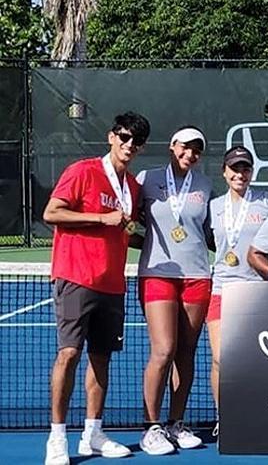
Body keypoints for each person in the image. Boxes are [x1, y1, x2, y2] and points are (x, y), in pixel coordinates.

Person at [43, 112, 150, 465]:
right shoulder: (82, 171)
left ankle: (93, 434)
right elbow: (52, 213)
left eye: (136, 141)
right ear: (111, 137)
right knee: (69, 354)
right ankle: (57, 438)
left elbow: (127, 233)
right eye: (123, 137)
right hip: (76, 277)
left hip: (112, 284)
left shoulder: (132, 187)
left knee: (101, 359)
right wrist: (101, 218)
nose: (128, 145)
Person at [136, 126, 213, 455]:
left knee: (186, 351)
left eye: (197, 149)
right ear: (172, 146)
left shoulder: (206, 185)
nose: (190, 154)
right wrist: (145, 244)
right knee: (164, 349)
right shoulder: (146, 179)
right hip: (157, 273)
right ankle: (151, 427)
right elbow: (129, 220)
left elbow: (209, 233)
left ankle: (176, 422)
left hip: (198, 275)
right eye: (185, 147)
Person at [207, 146, 268, 436]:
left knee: (257, 357)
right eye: (235, 169)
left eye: (245, 169)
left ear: (252, 172)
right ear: (224, 172)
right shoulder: (213, 207)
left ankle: (257, 410)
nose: (240, 174)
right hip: (222, 288)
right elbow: (210, 240)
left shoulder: (267, 202)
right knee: (220, 357)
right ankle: (223, 416)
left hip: (258, 292)